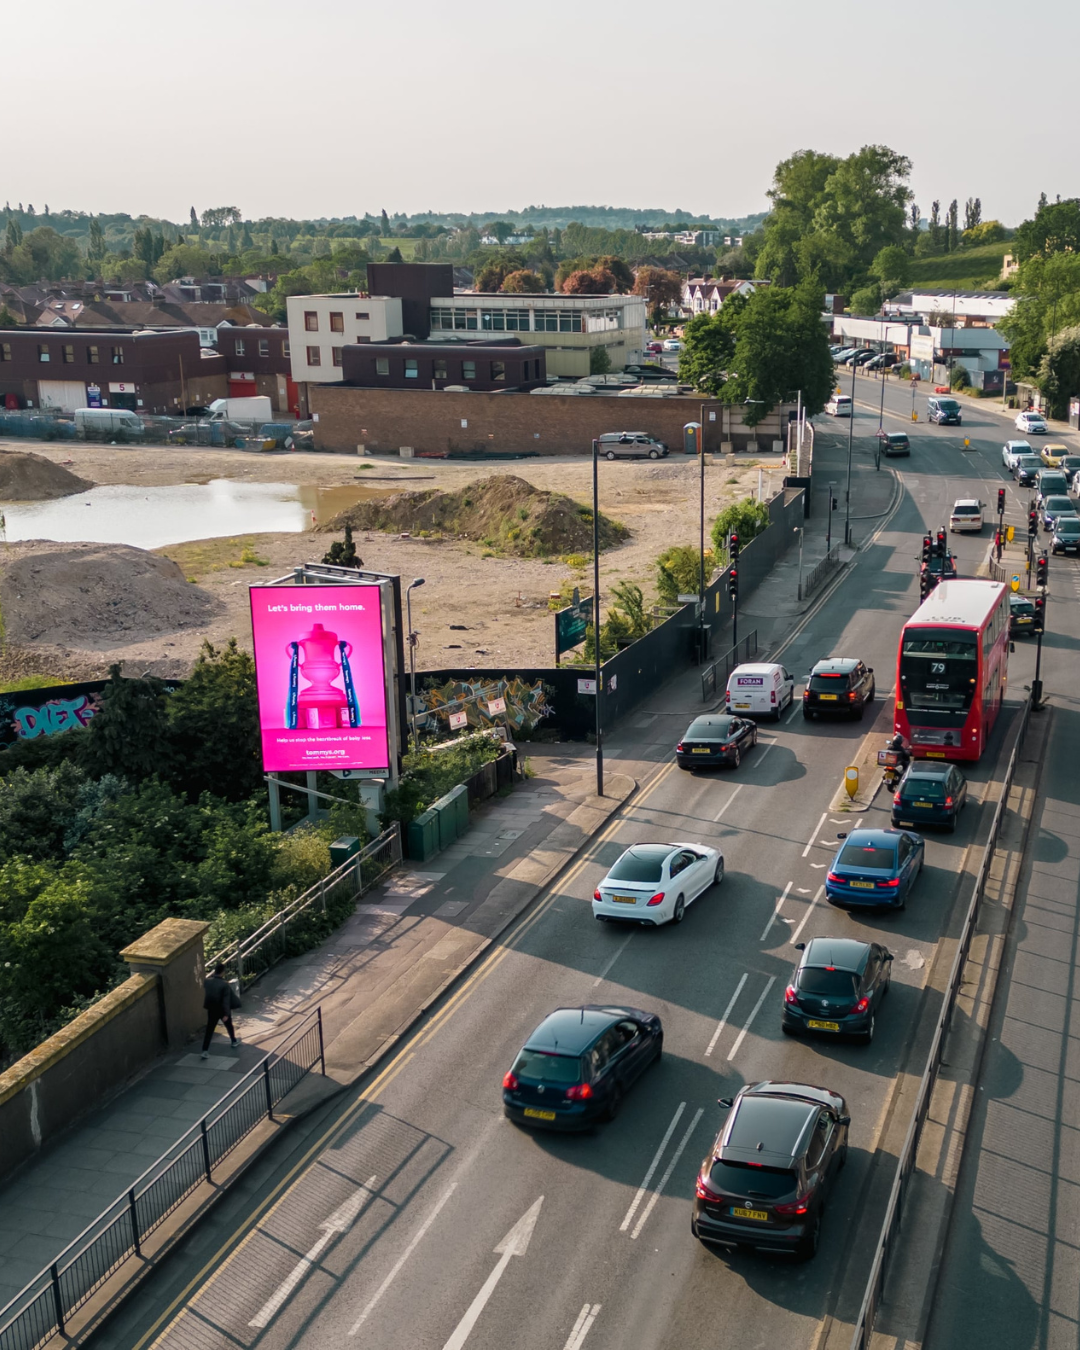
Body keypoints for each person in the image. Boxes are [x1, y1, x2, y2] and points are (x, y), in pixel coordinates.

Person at [201, 963, 240, 1057]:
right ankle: (233, 1041)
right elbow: (226, 1001)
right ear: (223, 972)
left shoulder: (207, 982)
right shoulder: (224, 985)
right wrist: (226, 1014)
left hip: (211, 1009)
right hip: (222, 1010)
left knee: (209, 1030)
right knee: (229, 1026)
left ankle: (204, 1050)